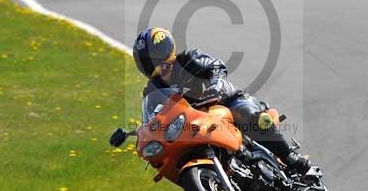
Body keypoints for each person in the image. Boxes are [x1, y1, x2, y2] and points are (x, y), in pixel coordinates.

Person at [131, 27, 310, 171]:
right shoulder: (154, 90)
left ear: (168, 50)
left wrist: (214, 85)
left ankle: (289, 157)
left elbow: (216, 66)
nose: (158, 66)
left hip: (225, 101)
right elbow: (153, 116)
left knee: (249, 115)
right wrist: (145, 131)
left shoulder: (189, 59)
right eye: (151, 63)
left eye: (159, 59)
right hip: (197, 122)